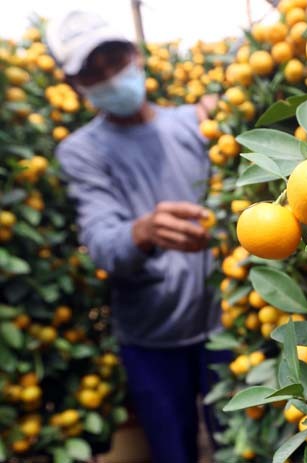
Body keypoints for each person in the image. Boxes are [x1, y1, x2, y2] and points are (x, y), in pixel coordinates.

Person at [47, 11, 227, 463]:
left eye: (114, 58)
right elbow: (102, 244)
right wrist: (141, 232)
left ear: (135, 56)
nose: (109, 74)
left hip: (223, 327)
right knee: (173, 451)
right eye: (93, 69)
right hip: (152, 337)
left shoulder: (193, 125)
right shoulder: (81, 151)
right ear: (75, 85)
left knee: (238, 443)